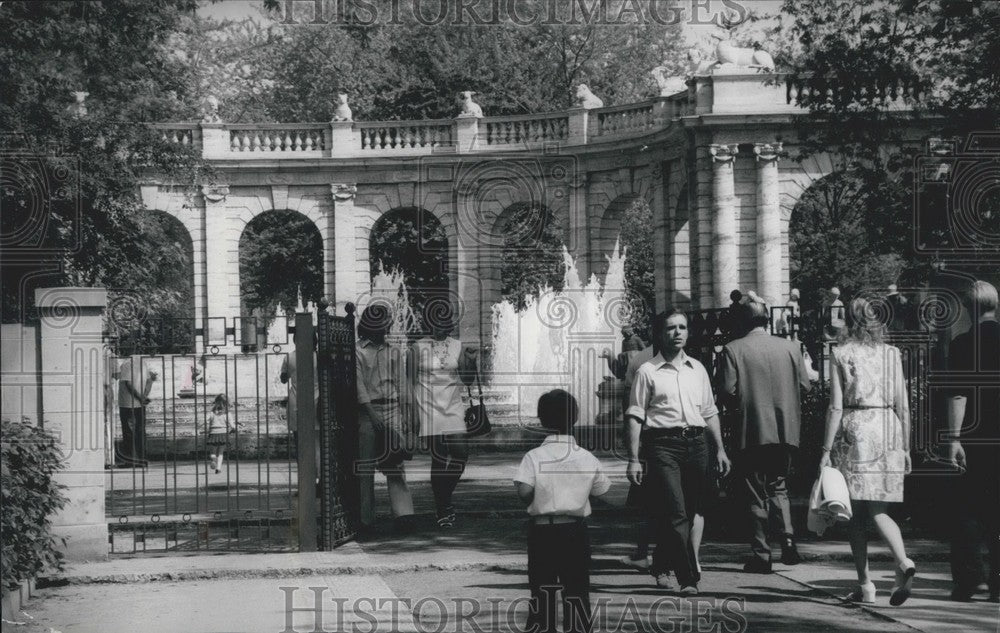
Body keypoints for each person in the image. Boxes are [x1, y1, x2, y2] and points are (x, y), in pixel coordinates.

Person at [626, 309, 732, 595]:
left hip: (697, 444)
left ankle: (661, 563)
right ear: (660, 334)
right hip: (662, 446)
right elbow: (635, 415)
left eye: (682, 327)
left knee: (690, 509)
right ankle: (688, 578)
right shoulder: (647, 372)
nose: (677, 333)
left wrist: (720, 449)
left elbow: (709, 412)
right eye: (671, 328)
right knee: (675, 511)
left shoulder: (697, 369)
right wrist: (634, 459)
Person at [819, 297, 916, 606]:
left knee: (858, 514)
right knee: (879, 510)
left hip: (857, 430)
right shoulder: (892, 354)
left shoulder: (841, 354)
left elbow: (835, 406)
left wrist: (824, 450)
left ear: (849, 320)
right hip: (889, 429)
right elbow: (904, 405)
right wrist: (907, 447)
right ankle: (897, 565)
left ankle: (870, 580)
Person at [718, 300, 811, 573]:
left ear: (742, 322)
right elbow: (805, 385)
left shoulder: (733, 349)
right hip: (786, 430)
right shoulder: (791, 348)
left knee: (755, 493)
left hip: (752, 430)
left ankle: (762, 553)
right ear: (767, 321)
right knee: (779, 486)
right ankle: (789, 539)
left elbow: (727, 390)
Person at [514, 389, 611, 633]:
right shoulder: (586, 457)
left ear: (541, 420)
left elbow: (525, 492)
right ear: (576, 417)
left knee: (541, 593)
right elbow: (602, 492)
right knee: (577, 592)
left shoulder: (534, 456)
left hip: (543, 531)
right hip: (575, 531)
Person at [946, 280, 999, 602]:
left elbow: (958, 394)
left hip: (976, 435)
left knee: (966, 509)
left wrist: (953, 439)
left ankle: (969, 581)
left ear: (967, 307)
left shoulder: (963, 344)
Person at [408, 306, 478, 528]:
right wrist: (412, 415)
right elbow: (408, 384)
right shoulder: (417, 348)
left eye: (445, 320)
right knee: (439, 458)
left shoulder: (457, 345)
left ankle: (443, 499)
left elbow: (467, 380)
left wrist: (471, 361)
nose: (442, 324)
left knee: (460, 454)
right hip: (427, 407)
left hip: (453, 406)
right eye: (437, 319)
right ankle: (443, 509)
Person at [356, 304, 416, 533]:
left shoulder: (393, 351)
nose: (384, 328)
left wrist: (407, 415)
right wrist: (371, 414)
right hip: (366, 411)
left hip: (392, 409)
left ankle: (404, 515)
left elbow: (401, 383)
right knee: (366, 466)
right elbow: (359, 385)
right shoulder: (358, 351)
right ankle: (365, 519)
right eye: (380, 323)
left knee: (396, 462)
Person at [115, 355, 157, 468]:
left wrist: (140, 397)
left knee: (128, 432)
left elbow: (128, 384)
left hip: (127, 404)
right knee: (140, 432)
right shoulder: (142, 363)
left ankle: (130, 460)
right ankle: (142, 459)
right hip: (139, 404)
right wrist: (144, 396)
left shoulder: (127, 363)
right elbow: (149, 381)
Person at [206, 394, 243, 474]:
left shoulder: (211, 413)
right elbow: (232, 426)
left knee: (212, 452)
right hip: (223, 435)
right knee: (220, 452)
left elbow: (205, 421)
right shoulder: (228, 414)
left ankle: (213, 459)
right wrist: (237, 427)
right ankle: (218, 468)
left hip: (213, 434)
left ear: (215, 402)